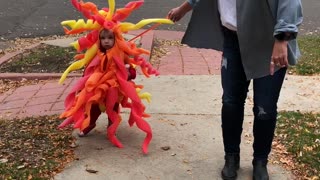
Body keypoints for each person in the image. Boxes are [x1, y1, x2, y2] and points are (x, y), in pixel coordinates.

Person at [168, 0, 303, 179]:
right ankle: (231, 156)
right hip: (233, 40)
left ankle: (260, 161)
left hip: (268, 41)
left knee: (265, 108)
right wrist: (183, 8)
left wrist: (282, 39)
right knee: (230, 102)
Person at [78, 28, 137, 137]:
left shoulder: (121, 54)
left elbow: (132, 71)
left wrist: (128, 73)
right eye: (103, 38)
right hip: (98, 88)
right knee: (94, 107)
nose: (106, 41)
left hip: (114, 88)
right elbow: (88, 70)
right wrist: (83, 85)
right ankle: (90, 124)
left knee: (113, 108)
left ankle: (111, 127)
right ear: (99, 40)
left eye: (110, 38)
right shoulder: (96, 54)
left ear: (116, 39)